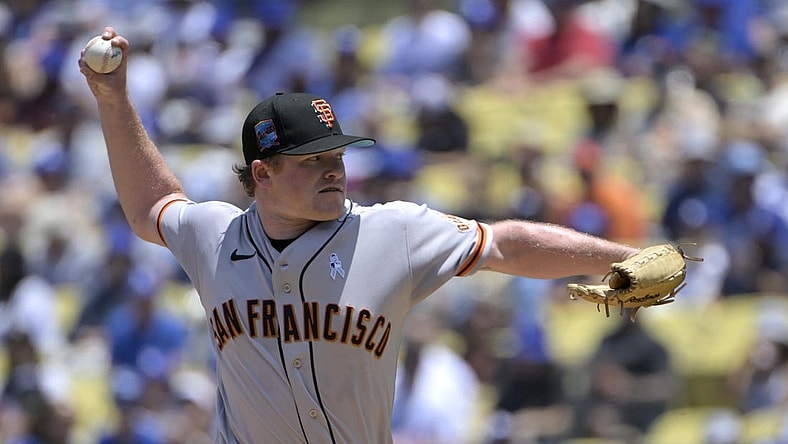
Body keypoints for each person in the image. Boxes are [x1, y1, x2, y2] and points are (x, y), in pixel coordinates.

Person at [79, 26, 646, 444]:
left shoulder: (391, 232)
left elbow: (503, 244)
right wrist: (112, 99)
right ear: (262, 174)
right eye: (310, 159)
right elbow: (152, 205)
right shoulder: (215, 236)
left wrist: (620, 257)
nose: (334, 169)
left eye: (336, 155)